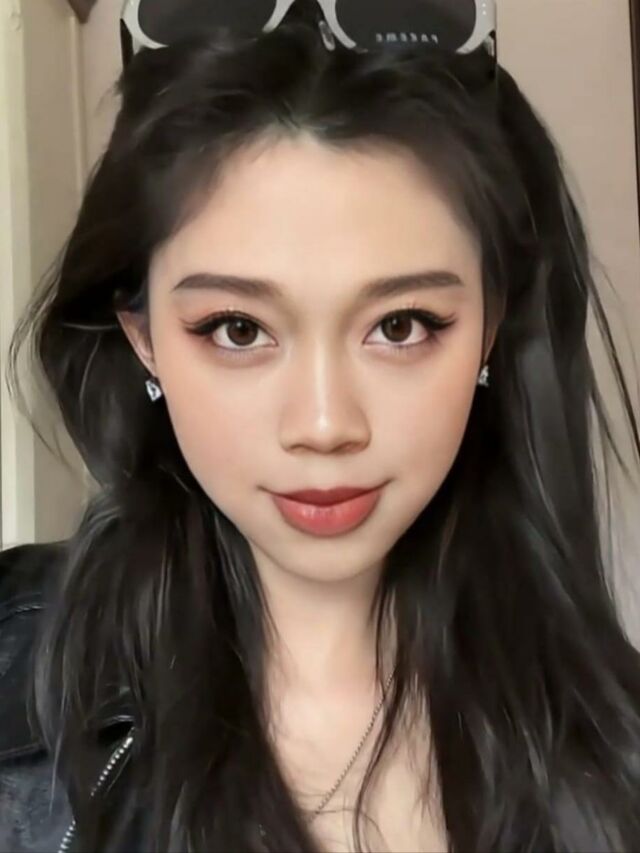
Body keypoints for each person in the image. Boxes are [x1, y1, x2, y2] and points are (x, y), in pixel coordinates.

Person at [1, 3, 640, 852]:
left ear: (490, 326)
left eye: (402, 325)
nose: (326, 424)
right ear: (143, 337)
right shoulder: (15, 675)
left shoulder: (614, 739)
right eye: (238, 329)